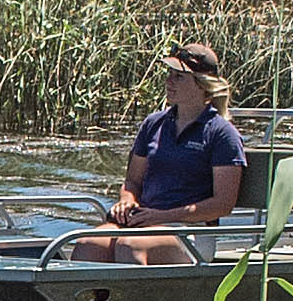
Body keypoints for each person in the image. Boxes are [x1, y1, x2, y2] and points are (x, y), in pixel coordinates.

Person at [78, 38, 247, 261]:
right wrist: (127, 201)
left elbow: (222, 204)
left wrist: (162, 216)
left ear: (201, 84)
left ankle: (140, 296)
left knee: (131, 246)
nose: (169, 82)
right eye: (169, 74)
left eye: (179, 77)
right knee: (87, 243)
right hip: (145, 220)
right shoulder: (154, 123)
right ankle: (90, 296)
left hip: (192, 231)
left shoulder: (222, 134)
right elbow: (133, 182)